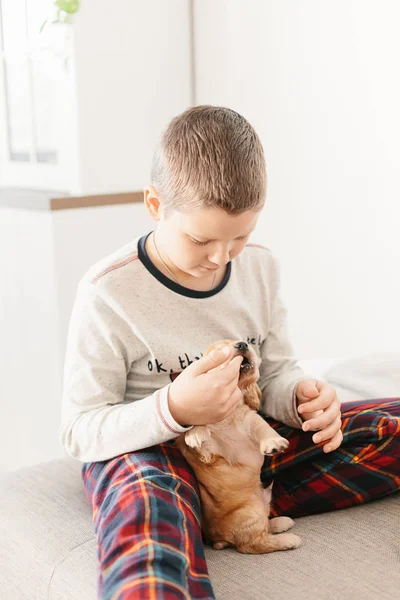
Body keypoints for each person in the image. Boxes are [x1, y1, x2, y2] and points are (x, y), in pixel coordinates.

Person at [60, 105, 400, 600]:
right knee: (150, 517)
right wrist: (174, 410)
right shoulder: (107, 292)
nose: (221, 258)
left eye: (241, 236)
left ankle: (228, 514)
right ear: (155, 204)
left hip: (245, 454)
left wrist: (302, 398)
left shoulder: (260, 269)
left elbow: (279, 374)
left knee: (391, 423)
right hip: (154, 456)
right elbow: (79, 431)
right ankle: (183, 513)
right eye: (201, 239)